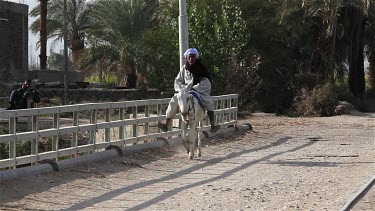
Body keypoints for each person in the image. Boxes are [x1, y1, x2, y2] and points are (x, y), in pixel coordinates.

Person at [157, 48, 221, 133]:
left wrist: (194, 88)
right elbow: (178, 80)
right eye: (189, 57)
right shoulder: (184, 69)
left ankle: (213, 125)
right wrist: (182, 88)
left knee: (209, 102)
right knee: (174, 100)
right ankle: (167, 123)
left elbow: (206, 81)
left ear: (196, 57)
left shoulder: (201, 68)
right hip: (185, 91)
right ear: (187, 58)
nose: (191, 59)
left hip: (198, 91)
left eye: (193, 57)